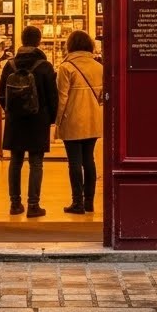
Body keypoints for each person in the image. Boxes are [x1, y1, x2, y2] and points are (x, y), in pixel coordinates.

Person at [0, 25, 57, 217]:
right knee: (36, 163)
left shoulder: (10, 65)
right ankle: (33, 205)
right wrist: (50, 119)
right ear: (39, 42)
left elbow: (1, 95)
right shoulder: (44, 66)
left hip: (15, 121)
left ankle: (15, 204)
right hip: (38, 120)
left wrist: (12, 112)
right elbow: (52, 96)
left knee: (15, 161)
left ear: (22, 41)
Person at [54, 30, 102, 214]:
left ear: (70, 45)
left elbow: (62, 98)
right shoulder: (99, 67)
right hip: (93, 119)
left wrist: (57, 123)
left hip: (72, 119)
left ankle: (77, 202)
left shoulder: (66, 67)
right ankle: (89, 201)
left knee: (74, 162)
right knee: (89, 160)